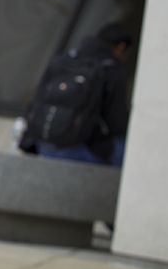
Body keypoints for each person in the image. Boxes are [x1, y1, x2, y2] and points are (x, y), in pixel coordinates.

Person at [33, 23, 132, 166]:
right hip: (83, 151)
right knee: (127, 144)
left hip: (44, 145)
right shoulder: (113, 70)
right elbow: (117, 122)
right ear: (121, 47)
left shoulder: (63, 59)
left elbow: (37, 101)